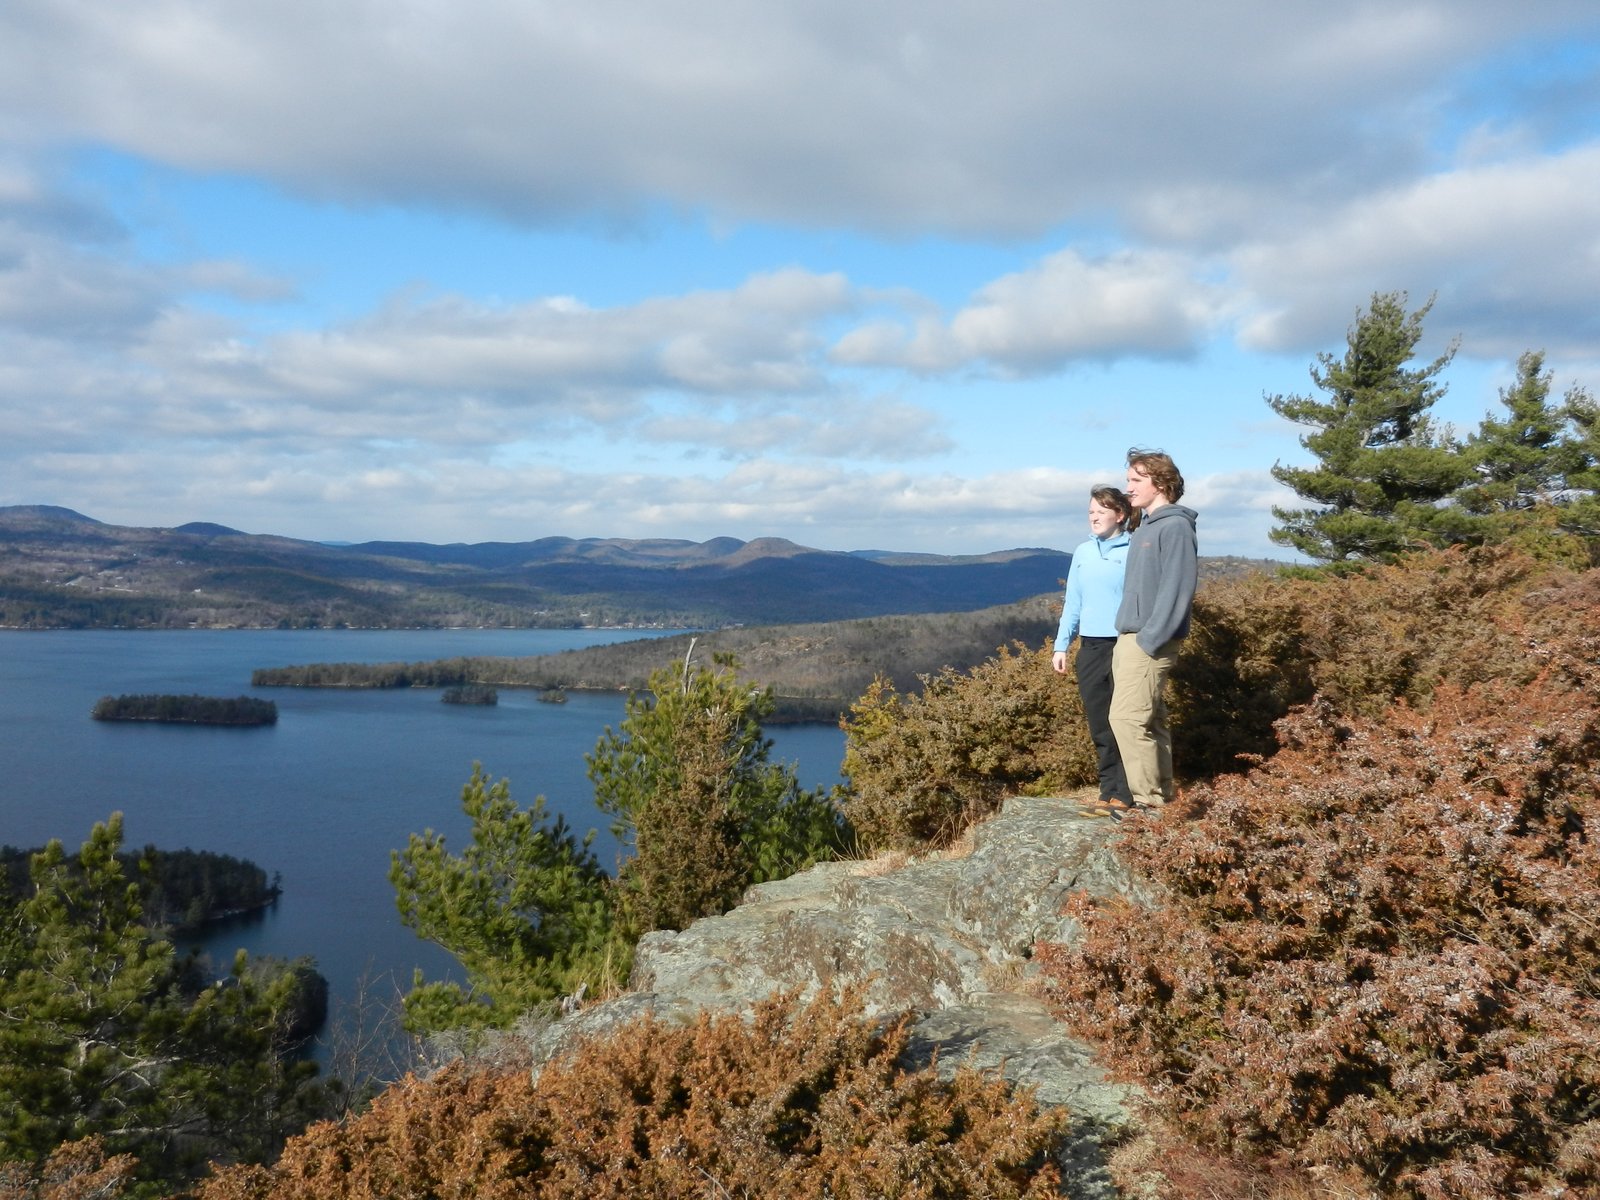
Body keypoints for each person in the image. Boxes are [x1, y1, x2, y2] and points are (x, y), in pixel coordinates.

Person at [1109, 448, 1198, 815]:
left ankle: (1148, 803)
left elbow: (1178, 588)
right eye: (1128, 479)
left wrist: (1150, 639)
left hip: (1147, 640)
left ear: (1161, 483)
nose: (1128, 487)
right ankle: (1162, 800)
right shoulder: (1146, 526)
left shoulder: (1174, 526)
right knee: (1151, 719)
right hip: (1132, 636)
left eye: (1136, 480)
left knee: (1126, 718)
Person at [1051, 486, 1136, 810]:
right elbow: (1073, 601)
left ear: (1120, 515)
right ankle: (1107, 789)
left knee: (1124, 720)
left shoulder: (1134, 549)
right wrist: (1061, 645)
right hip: (1090, 647)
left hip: (1125, 644)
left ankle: (1126, 792)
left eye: (1102, 511)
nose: (1094, 517)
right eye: (1091, 512)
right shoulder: (1083, 552)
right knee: (1100, 723)